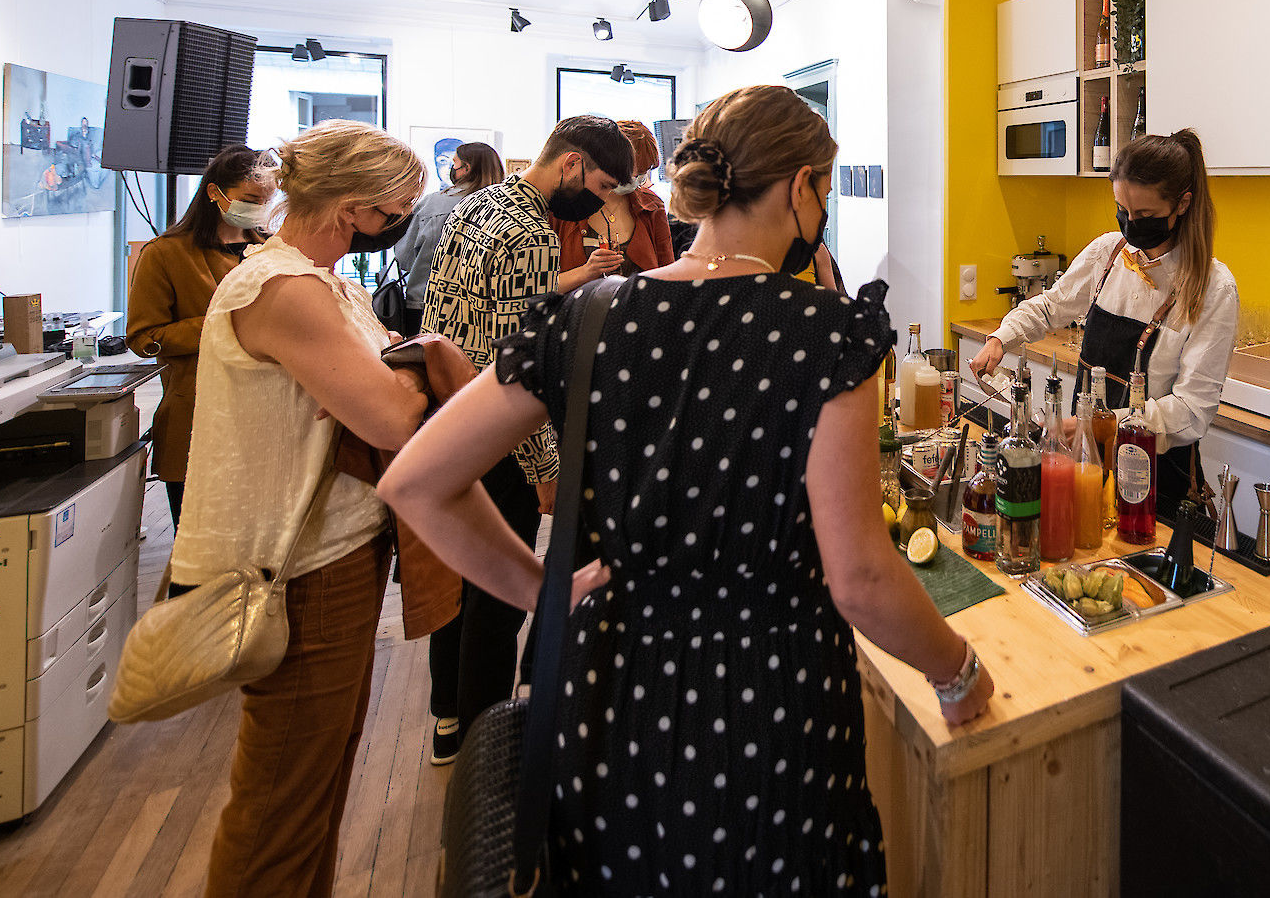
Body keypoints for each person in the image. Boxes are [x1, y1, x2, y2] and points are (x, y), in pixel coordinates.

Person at [383, 83, 991, 893]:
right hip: (771, 699)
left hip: (612, 693)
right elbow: (862, 579)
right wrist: (957, 671)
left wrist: (537, 589)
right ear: (801, 188)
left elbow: (418, 481)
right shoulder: (826, 332)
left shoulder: (589, 316)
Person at [167, 121, 475, 898]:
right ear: (354, 207)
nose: (402, 220)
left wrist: (391, 375)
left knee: (319, 777)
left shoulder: (323, 284)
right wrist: (407, 377)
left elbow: (388, 379)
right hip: (299, 566)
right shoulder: (285, 289)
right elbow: (394, 417)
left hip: (335, 553)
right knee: (284, 798)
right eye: (397, 207)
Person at [417, 116, 632, 764]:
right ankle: (483, 743)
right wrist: (544, 467)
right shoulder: (531, 230)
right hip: (498, 439)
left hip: (449, 414)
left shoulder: (477, 204)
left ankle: (448, 717)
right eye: (600, 186)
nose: (598, 201)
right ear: (572, 164)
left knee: (459, 578)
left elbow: (452, 315)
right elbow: (520, 365)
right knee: (498, 597)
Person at [971, 129, 1239, 520]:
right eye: (1122, 210)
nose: (1130, 224)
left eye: (1144, 215)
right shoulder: (1108, 253)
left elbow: (1191, 410)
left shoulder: (1213, 288)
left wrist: (1100, 425)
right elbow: (1050, 307)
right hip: (1084, 467)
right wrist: (1001, 338)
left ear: (1182, 204)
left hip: (1154, 482)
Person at [126, 145, 273, 530]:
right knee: (200, 545)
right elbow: (143, 337)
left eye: (266, 201)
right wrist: (225, 323)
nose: (258, 209)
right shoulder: (165, 254)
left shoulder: (272, 250)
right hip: (197, 415)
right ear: (214, 192)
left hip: (266, 415)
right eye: (250, 200)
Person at [394, 141, 504, 336]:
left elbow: (405, 259)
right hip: (485, 310)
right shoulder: (504, 209)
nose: (452, 169)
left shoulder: (432, 203)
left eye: (454, 163)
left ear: (466, 168)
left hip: (426, 304)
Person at [551, 119, 675, 273]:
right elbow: (542, 283)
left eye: (642, 173)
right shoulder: (562, 205)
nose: (636, 179)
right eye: (630, 173)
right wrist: (584, 273)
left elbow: (667, 272)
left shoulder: (652, 206)